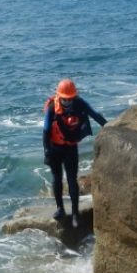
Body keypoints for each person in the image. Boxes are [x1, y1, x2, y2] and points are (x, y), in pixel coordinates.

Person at [43, 79, 106, 228]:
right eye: (65, 99)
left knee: (72, 180)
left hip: (70, 148)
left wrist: (108, 126)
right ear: (59, 96)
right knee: (56, 179)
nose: (68, 101)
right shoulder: (52, 108)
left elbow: (95, 115)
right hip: (54, 148)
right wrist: (46, 152)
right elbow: (45, 131)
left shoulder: (79, 103)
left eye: (70, 98)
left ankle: (75, 213)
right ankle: (60, 208)